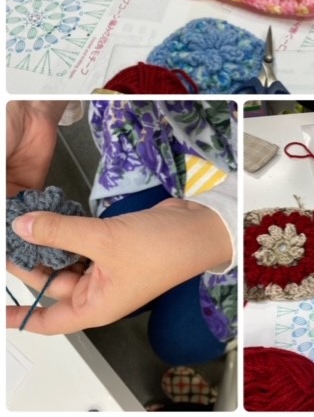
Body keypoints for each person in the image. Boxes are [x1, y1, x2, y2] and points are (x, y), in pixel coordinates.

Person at [6, 100, 237, 368]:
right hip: (157, 130)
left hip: (255, 211)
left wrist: (218, 227)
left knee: (176, 343)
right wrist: (35, 107)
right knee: (105, 282)